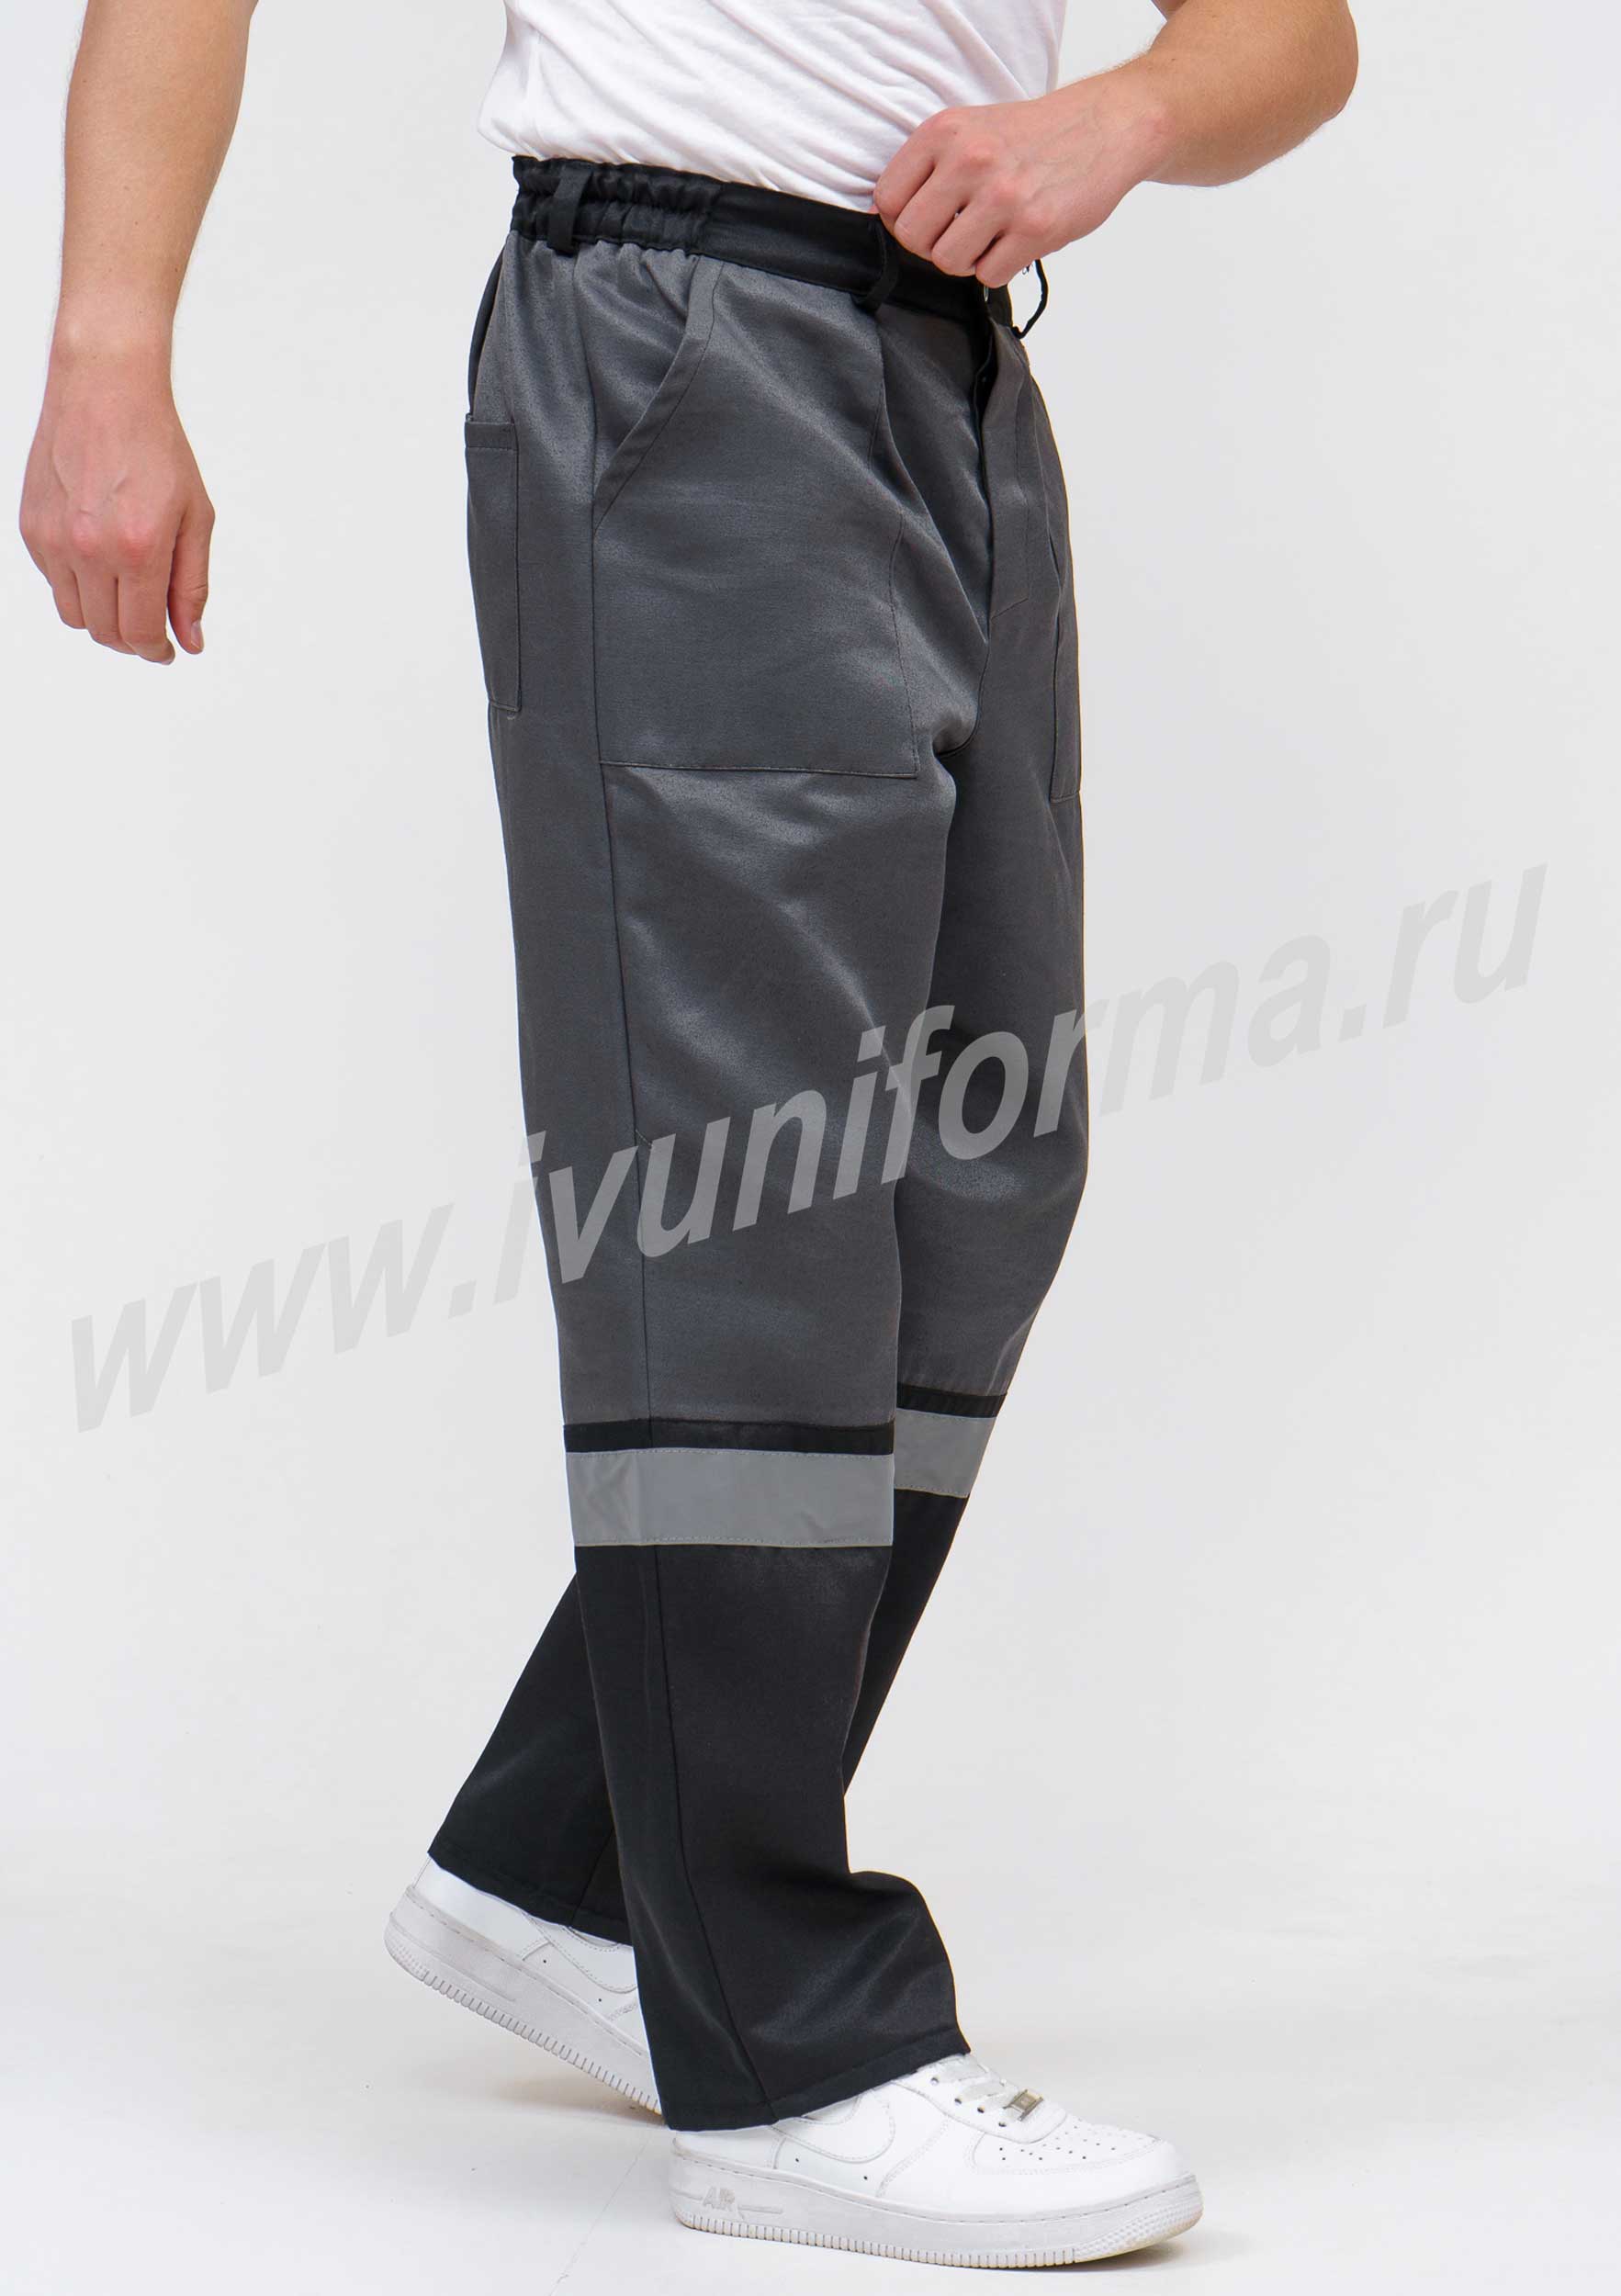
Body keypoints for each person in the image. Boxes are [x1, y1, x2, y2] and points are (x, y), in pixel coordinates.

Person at [21, 0, 1357, 2267]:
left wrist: (1116, 118)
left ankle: (570, 1863)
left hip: (949, 372)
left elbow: (1292, 39)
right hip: (676, 333)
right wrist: (107, 351)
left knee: (982, 1165)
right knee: (745, 1205)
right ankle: (783, 2052)